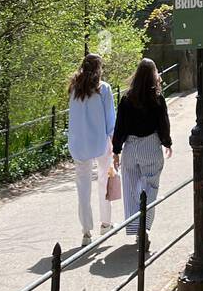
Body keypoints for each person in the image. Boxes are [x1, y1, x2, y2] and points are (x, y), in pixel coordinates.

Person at [112, 59, 172, 250]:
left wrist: (116, 150)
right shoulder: (157, 97)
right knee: (150, 187)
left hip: (130, 147)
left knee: (130, 189)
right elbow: (163, 122)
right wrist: (167, 142)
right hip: (151, 145)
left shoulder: (127, 98)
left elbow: (119, 126)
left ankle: (137, 226)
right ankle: (144, 227)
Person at [67, 53, 117, 244]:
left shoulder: (74, 89)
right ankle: (105, 223)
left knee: (83, 188)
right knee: (104, 181)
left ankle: (86, 231)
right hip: (100, 142)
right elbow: (110, 119)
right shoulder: (103, 89)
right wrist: (115, 143)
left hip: (78, 144)